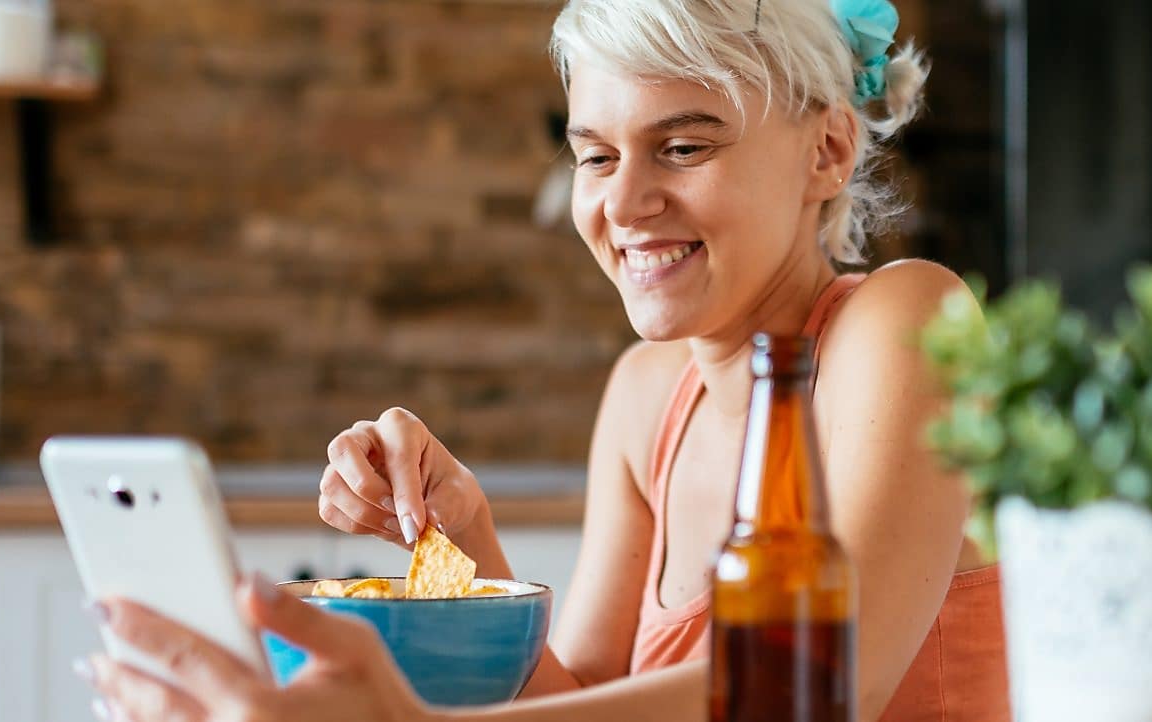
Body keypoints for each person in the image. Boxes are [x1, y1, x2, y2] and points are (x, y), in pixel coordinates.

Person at [77, 1, 1010, 720]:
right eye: (596, 156)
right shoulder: (647, 397)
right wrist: (471, 543)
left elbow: (820, 683)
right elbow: (578, 701)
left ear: (830, 151)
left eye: (682, 147)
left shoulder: (907, 320)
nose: (627, 202)